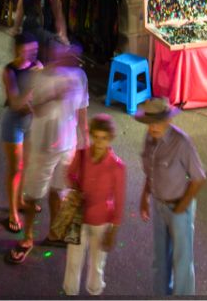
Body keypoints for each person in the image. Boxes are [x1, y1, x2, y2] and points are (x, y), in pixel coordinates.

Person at [9, 41, 89, 264]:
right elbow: (35, 109)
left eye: (74, 57)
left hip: (68, 145)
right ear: (55, 55)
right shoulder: (39, 77)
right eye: (65, 55)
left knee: (59, 190)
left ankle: (55, 233)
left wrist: (85, 140)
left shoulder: (80, 77)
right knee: (34, 194)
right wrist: (55, 96)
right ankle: (28, 237)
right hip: (44, 146)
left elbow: (82, 109)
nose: (70, 60)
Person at [136, 97, 206, 295]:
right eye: (150, 122)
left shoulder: (182, 142)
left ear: (168, 120)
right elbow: (149, 171)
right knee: (160, 259)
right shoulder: (149, 139)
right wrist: (144, 196)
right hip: (159, 204)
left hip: (178, 207)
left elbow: (198, 178)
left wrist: (182, 207)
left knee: (182, 260)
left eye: (157, 122)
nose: (153, 127)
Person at [62, 114, 126, 297]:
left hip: (101, 221)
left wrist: (113, 231)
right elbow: (70, 174)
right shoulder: (82, 155)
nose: (99, 142)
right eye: (96, 137)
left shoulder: (117, 167)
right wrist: (75, 185)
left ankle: (94, 290)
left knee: (97, 262)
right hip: (78, 217)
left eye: (104, 138)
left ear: (111, 138)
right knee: (73, 260)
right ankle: (70, 291)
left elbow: (119, 200)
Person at [0, 34, 42, 234]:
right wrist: (35, 83)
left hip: (31, 123)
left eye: (34, 49)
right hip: (14, 123)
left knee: (26, 165)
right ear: (18, 49)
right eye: (28, 50)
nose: (32, 53)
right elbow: (16, 103)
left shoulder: (38, 65)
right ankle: (13, 211)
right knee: (15, 168)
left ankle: (21, 200)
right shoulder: (9, 71)